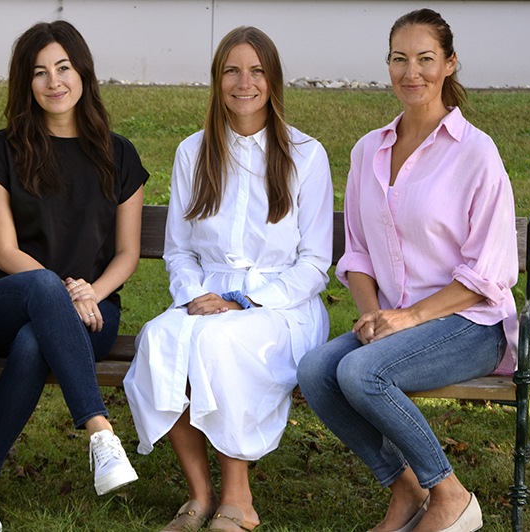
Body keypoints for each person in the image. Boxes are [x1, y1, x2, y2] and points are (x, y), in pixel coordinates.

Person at [297, 8, 518, 532]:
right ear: (388, 65)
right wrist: (374, 316)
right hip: (397, 320)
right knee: (316, 373)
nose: (411, 72)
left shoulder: (476, 154)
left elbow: (489, 271)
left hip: (471, 323)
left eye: (425, 59)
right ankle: (406, 489)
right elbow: (356, 252)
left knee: (360, 372)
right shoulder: (367, 151)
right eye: (400, 59)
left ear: (449, 65)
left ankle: (450, 496)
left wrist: (410, 317)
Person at [123, 26, 333, 532]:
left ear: (273, 80)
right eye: (232, 70)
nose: (245, 82)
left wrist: (241, 300)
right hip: (205, 298)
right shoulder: (193, 153)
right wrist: (201, 298)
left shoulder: (306, 154)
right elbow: (179, 250)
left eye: (257, 70)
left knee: (218, 345)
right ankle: (200, 492)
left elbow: (314, 264)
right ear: (217, 81)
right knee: (157, 340)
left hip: (281, 305)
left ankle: (239, 499)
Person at [0, 20, 148, 532]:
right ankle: (100, 431)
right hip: (10, 295)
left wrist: (93, 291)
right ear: (26, 83)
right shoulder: (3, 150)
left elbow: (126, 253)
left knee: (36, 342)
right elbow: (9, 251)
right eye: (39, 72)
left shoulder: (119, 154)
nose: (54, 81)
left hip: (94, 305)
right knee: (40, 293)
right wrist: (65, 290)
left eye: (63, 67)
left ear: (82, 72)